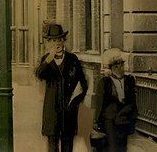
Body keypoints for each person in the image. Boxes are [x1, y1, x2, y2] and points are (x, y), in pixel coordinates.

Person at [35, 22, 88, 152]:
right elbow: (39, 74)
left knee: (67, 145)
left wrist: (74, 102)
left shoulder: (72, 59)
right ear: (48, 43)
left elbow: (83, 84)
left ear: (64, 40)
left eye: (59, 39)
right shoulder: (46, 60)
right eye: (53, 40)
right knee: (52, 146)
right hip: (52, 110)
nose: (57, 43)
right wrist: (49, 59)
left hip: (68, 111)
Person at [94, 48, 137, 152]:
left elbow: (132, 101)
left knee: (122, 147)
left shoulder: (129, 80)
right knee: (112, 148)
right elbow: (99, 103)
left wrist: (133, 119)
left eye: (121, 65)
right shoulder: (105, 82)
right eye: (116, 66)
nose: (120, 68)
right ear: (111, 68)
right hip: (110, 121)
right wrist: (96, 122)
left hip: (124, 119)